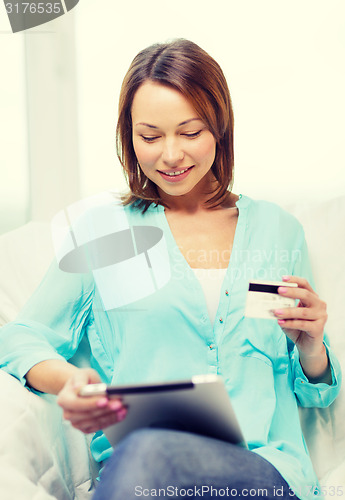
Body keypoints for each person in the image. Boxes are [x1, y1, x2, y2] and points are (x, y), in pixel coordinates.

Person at [0, 39, 341, 500]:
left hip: (262, 474)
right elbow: (19, 336)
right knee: (145, 454)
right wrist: (70, 379)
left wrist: (311, 344)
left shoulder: (277, 234)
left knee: (147, 453)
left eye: (190, 131)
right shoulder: (105, 235)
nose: (171, 155)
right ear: (129, 137)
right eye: (150, 136)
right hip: (143, 480)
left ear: (219, 128)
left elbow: (314, 393)